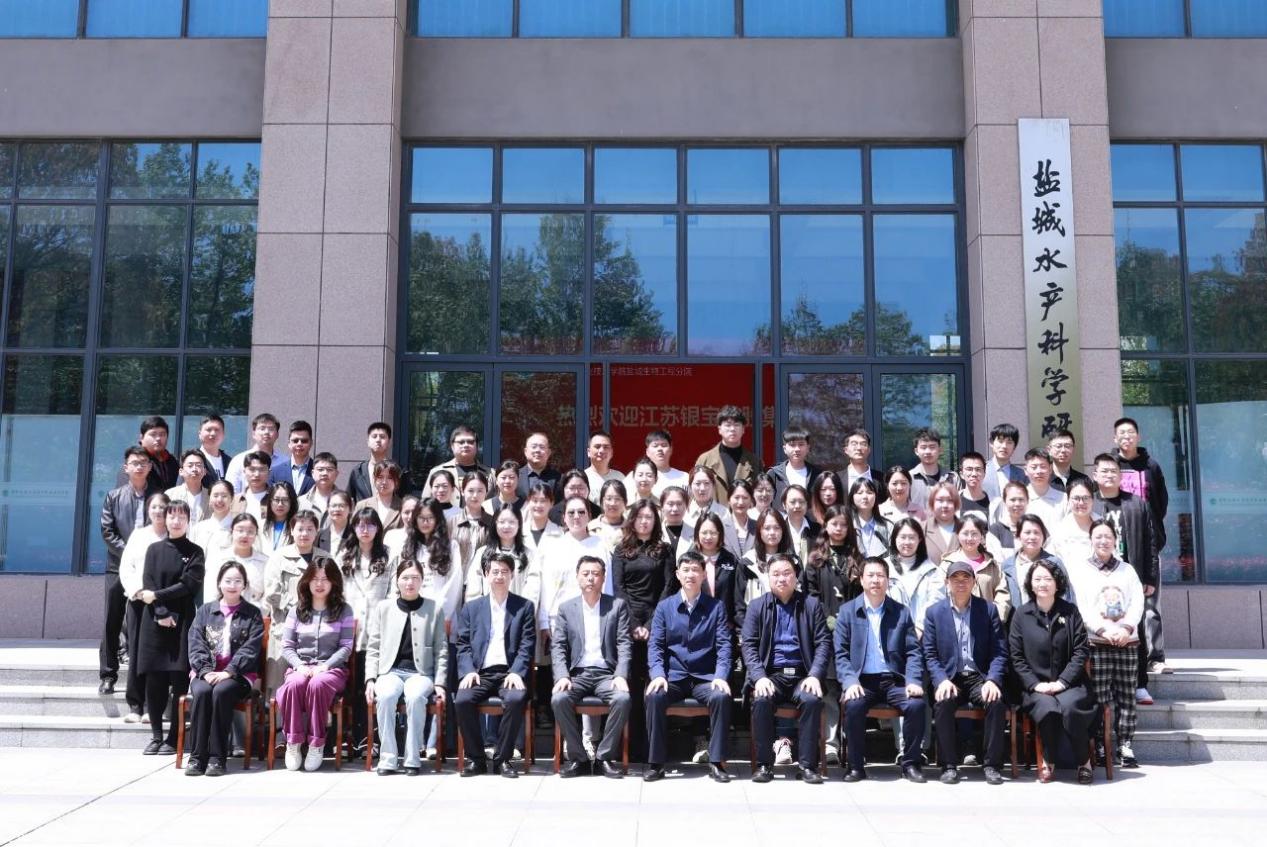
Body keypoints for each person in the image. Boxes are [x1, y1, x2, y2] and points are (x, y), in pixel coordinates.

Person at [644, 551, 733, 783]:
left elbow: (724, 646)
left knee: (721, 696)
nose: (690, 574)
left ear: (703, 575)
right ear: (677, 574)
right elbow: (655, 646)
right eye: (686, 570)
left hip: (705, 677)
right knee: (654, 695)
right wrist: (658, 674)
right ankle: (656, 763)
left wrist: (721, 675)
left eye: (695, 570)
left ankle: (717, 762)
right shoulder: (664, 607)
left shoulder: (716, 607)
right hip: (673, 677)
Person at [837, 557, 928, 783]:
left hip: (894, 680)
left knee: (916, 704)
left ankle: (911, 763)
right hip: (862, 681)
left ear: (888, 581)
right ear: (861, 580)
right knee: (853, 705)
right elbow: (840, 654)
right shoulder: (847, 612)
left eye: (880, 576)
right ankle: (856, 766)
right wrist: (850, 682)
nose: (875, 580)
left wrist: (913, 680)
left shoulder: (901, 612)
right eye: (870, 575)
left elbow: (913, 652)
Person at [743, 553, 829, 784]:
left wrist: (815, 675)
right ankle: (764, 765)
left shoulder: (811, 605)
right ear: (768, 577)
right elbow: (748, 645)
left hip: (803, 675)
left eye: (787, 573)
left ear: (796, 576)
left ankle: (808, 766)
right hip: (771, 675)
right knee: (761, 699)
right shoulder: (757, 607)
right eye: (776, 574)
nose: (781, 578)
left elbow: (823, 643)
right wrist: (759, 677)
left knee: (811, 700)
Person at [1008, 559, 1097, 784]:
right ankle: (1048, 759)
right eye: (1037, 579)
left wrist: (1062, 682)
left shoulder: (1070, 612)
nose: (1042, 583)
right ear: (1030, 583)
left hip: (1071, 683)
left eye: (1048, 579)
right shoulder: (1021, 615)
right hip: (1035, 686)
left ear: (1057, 583)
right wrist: (1035, 684)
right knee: (1048, 709)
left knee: (1071, 708)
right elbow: (1016, 657)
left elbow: (1080, 651)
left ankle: (1084, 761)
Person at [1066, 519, 1145, 769]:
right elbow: (1081, 606)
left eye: (1108, 536)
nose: (1103, 541)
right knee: (1099, 697)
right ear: (1091, 540)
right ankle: (1101, 744)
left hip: (1126, 641)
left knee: (1126, 695)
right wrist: (1102, 630)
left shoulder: (1127, 570)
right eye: (1098, 536)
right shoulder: (1081, 570)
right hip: (1097, 642)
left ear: (1115, 540)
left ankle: (1125, 744)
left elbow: (1137, 602)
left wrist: (1125, 628)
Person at [922, 560, 1008, 785]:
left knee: (996, 701)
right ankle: (949, 766)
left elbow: (999, 652)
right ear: (947, 582)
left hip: (979, 677)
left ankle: (991, 765)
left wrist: (992, 680)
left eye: (965, 578)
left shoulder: (988, 610)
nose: (960, 583)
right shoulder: (934, 613)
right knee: (943, 702)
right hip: (950, 677)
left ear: (974, 582)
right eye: (955, 579)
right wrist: (941, 680)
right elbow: (929, 654)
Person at [551, 555, 633, 778]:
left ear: (603, 578)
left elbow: (624, 643)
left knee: (622, 699)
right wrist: (562, 676)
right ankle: (578, 758)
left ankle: (604, 757)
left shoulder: (617, 606)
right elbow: (558, 646)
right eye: (585, 574)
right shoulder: (566, 608)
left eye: (595, 574)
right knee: (559, 699)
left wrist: (621, 674)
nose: (590, 578)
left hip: (607, 674)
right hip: (577, 674)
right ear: (577, 577)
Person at [455, 553, 537, 778]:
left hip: (509, 672)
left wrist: (517, 672)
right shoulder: (472, 608)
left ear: (512, 575)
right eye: (495, 571)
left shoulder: (524, 607)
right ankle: (476, 759)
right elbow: (463, 644)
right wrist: (468, 670)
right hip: (480, 673)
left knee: (516, 699)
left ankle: (503, 759)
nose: (500, 576)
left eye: (504, 572)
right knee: (462, 700)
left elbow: (527, 645)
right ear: (486, 574)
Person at [1092, 452, 1166, 700]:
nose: (1109, 475)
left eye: (1114, 471)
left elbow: (1150, 543)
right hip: (1097, 579)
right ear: (1095, 475)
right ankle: (1106, 686)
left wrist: (1150, 578)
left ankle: (1139, 683)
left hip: (1130, 576)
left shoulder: (1137, 504)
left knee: (1135, 628)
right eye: (1104, 471)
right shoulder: (1091, 503)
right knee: (1100, 630)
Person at [365, 559, 449, 775]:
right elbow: (373, 647)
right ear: (397, 580)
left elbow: (441, 650)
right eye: (405, 578)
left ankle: (412, 758)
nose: (410, 583)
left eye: (415, 578)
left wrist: (440, 683)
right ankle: (388, 758)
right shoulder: (384, 608)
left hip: (420, 673)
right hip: (390, 672)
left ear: (422, 581)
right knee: (385, 697)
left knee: (415, 697)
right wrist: (370, 679)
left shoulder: (434, 609)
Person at [184, 561, 265, 777]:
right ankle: (197, 757)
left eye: (238, 581)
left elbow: (251, 649)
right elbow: (195, 642)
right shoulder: (205, 611)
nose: (232, 585)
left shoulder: (252, 614)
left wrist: (229, 671)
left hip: (238, 675)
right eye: (228, 580)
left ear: (244, 585)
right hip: (205, 672)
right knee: (202, 692)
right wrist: (205, 670)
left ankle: (217, 758)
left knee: (221, 691)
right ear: (219, 583)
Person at [137, 501, 205, 755]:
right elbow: (148, 581)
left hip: (182, 620)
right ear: (164, 519)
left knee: (179, 680)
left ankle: (173, 738)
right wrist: (160, 611)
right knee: (154, 679)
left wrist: (156, 596)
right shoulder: (153, 549)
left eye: (181, 517)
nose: (176, 521)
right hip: (154, 620)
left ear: (188, 521)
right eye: (172, 516)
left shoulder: (195, 552)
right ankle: (156, 735)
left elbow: (188, 585)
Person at [275, 558, 355, 771]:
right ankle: (293, 742)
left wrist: (325, 666)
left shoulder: (344, 610)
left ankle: (316, 744)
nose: (319, 584)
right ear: (307, 581)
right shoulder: (296, 610)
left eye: (325, 579)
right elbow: (287, 646)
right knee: (294, 684)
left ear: (334, 582)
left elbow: (346, 646)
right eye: (315, 579)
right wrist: (299, 665)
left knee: (318, 683)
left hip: (332, 670)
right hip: (300, 667)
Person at [611, 497, 674, 760]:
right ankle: (629, 747)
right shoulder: (621, 550)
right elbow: (618, 588)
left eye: (649, 517)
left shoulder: (665, 550)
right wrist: (635, 624)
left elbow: (668, 588)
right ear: (632, 520)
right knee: (631, 686)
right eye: (640, 517)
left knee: (654, 684)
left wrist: (650, 624)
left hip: (657, 620)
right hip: (627, 622)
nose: (644, 522)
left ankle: (654, 749)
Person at [800, 504, 862, 765]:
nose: (838, 528)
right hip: (823, 631)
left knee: (849, 685)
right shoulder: (816, 559)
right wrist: (826, 618)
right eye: (834, 523)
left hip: (852, 630)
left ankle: (852, 741)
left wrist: (846, 619)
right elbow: (811, 595)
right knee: (829, 687)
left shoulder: (856, 557)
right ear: (825, 525)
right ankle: (830, 743)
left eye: (843, 524)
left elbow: (861, 596)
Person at [336, 508, 394, 751]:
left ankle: (371, 739)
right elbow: (337, 591)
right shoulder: (344, 555)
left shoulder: (388, 556)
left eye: (370, 525)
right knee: (350, 686)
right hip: (349, 629)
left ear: (378, 528)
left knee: (372, 685)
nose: (365, 530)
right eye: (360, 524)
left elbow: (392, 592)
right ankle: (349, 738)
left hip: (378, 631)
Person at [100, 447, 152, 697]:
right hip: (117, 567)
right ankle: (108, 675)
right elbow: (107, 531)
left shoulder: (158, 496)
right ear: (126, 467)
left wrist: (144, 559)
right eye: (134, 463)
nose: (139, 467)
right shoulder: (114, 497)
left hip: (147, 569)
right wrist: (130, 554)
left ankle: (140, 678)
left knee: (143, 623)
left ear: (149, 467)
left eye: (143, 463)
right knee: (112, 621)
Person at [117, 492, 171, 721]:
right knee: (137, 653)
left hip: (164, 604)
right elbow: (126, 568)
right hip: (139, 602)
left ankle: (154, 706)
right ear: (148, 510)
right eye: (154, 507)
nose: (158, 511)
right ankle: (135, 706)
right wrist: (137, 591)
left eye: (162, 507)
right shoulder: (139, 535)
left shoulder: (173, 536)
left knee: (159, 655)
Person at [262, 510, 328, 689]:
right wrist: (299, 607)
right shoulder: (279, 557)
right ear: (291, 531)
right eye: (300, 529)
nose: (304, 533)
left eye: (310, 529)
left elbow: (334, 590)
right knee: (279, 687)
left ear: (317, 531)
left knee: (312, 686)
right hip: (285, 629)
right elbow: (272, 592)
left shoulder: (325, 558)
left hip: (318, 632)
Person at [940, 513, 1011, 623]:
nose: (970, 538)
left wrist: (994, 619)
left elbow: (1003, 596)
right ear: (957, 535)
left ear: (981, 536)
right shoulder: (947, 564)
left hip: (988, 625)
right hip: (955, 625)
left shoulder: (993, 565)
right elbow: (939, 595)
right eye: (965, 533)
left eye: (974, 534)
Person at [1112, 417, 1169, 548]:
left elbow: (1161, 501)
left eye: (1131, 432)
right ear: (1115, 438)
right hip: (1118, 532)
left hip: (1148, 533)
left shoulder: (1151, 466)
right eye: (1122, 433)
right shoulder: (1109, 466)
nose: (1127, 436)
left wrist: (1152, 520)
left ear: (1138, 437)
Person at [468, 502, 540, 605]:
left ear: (519, 524)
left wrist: (522, 612)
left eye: (511, 522)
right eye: (502, 522)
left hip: (518, 612)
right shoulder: (482, 554)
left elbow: (533, 591)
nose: (506, 526)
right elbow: (473, 591)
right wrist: (481, 612)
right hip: (486, 612)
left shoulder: (529, 556)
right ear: (495, 524)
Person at [886, 518, 945, 638]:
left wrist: (919, 627)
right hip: (889, 632)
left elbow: (936, 599)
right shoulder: (883, 567)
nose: (907, 542)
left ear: (920, 540)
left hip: (922, 635)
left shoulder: (931, 570)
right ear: (894, 538)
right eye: (903, 537)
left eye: (912, 537)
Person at [1002, 514, 1070, 612]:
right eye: (1027, 532)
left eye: (1037, 533)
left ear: (1043, 536)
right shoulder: (1008, 565)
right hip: (1018, 619)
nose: (1032, 537)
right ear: (1018, 536)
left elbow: (1066, 596)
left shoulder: (1054, 563)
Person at [737, 509, 794, 625]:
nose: (772, 532)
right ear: (759, 531)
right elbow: (739, 606)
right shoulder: (747, 563)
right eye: (767, 528)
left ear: (783, 530)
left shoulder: (794, 562)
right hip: (756, 628)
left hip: (790, 627)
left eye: (777, 528)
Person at [694, 404, 763, 500]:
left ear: (743, 429)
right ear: (719, 429)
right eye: (728, 425)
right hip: (713, 510)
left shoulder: (754, 462)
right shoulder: (705, 460)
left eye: (737, 425)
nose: (732, 429)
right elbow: (695, 494)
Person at [203, 514, 268, 606]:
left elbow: (268, 597)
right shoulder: (218, 559)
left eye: (250, 531)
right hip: (222, 612)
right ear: (231, 531)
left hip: (255, 612)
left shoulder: (265, 562)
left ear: (256, 534)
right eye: (240, 530)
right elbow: (210, 593)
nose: (245, 535)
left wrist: (256, 611)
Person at [422, 425, 492, 502]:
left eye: (470, 442)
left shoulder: (491, 474)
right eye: (461, 442)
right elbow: (425, 504)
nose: (466, 445)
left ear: (477, 446)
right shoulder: (437, 472)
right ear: (452, 446)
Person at [224, 413, 285, 496]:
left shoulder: (284, 462)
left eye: (271, 429)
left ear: (277, 434)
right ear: (253, 434)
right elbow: (230, 492)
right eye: (262, 428)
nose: (266, 432)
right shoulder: (238, 460)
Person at [115, 416, 179, 494]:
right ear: (141, 437)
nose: (158, 438)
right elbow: (124, 495)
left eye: (162, 434)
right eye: (153, 434)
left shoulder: (173, 462)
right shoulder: (134, 462)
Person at [449, 470, 494, 576]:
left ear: (486, 492)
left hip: (483, 580)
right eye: (470, 490)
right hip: (455, 580)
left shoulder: (493, 523)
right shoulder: (451, 523)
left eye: (480, 491)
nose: (475, 495)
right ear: (462, 491)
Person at [768, 426, 822, 504]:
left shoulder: (817, 475)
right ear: (784, 449)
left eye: (801, 444)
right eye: (792, 445)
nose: (797, 449)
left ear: (808, 448)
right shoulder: (774, 474)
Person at [908, 428, 959, 511]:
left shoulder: (953, 477)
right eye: (923, 447)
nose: (928, 451)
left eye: (932, 447)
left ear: (940, 450)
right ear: (916, 451)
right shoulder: (909, 478)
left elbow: (958, 508)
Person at [347, 421, 396, 505]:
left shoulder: (398, 471)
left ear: (389, 442)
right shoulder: (358, 471)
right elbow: (349, 499)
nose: (378, 440)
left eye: (382, 437)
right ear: (368, 442)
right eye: (374, 436)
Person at [1051, 479, 1097, 568]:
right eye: (1076, 498)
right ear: (1068, 500)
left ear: (1092, 500)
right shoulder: (1059, 530)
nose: (1081, 503)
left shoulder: (1103, 526)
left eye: (1086, 498)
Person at [190, 479, 236, 557]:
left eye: (224, 496)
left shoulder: (237, 529)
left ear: (232, 498)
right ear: (209, 498)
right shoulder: (198, 528)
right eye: (215, 496)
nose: (219, 500)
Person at [1023, 448, 1067, 529]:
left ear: (1050, 469)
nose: (1039, 471)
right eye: (1034, 467)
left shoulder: (1064, 499)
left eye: (1043, 466)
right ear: (1025, 470)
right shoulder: (1019, 499)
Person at [983, 422, 1028, 501]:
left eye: (1009, 442)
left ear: (1014, 447)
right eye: (1000, 441)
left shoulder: (1022, 475)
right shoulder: (981, 470)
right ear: (991, 443)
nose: (1004, 446)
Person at [269, 420, 315, 497]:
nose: (299, 444)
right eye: (295, 441)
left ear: (311, 443)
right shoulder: (275, 472)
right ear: (289, 443)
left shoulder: (319, 471)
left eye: (304, 441)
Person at [849, 478, 892, 558]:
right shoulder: (848, 526)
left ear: (875, 497)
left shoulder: (888, 526)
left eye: (869, 492)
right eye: (860, 493)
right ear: (852, 497)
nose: (865, 496)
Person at [521, 481, 564, 560]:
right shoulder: (519, 532)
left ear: (552, 503)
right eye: (535, 500)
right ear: (528, 502)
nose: (538, 505)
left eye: (543, 501)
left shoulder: (561, 533)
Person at [356, 460, 403, 532]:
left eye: (390, 477)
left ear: (396, 481)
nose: (384, 482)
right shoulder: (362, 505)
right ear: (374, 479)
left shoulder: (403, 507)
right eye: (380, 477)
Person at [989, 481, 1030, 560]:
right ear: (1004, 502)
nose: (1017, 504)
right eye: (1013, 500)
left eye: (1021, 499)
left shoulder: (1036, 528)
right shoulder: (995, 530)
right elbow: (997, 562)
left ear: (1027, 501)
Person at [165, 449, 209, 523]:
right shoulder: (170, 495)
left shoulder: (210, 496)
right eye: (190, 466)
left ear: (205, 471)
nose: (194, 469)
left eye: (198, 465)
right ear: (181, 471)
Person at [922, 481, 961, 564]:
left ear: (956, 503)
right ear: (932, 502)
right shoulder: (922, 529)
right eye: (940, 500)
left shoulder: (966, 528)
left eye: (950, 500)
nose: (945, 505)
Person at [583, 430, 626, 503]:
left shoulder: (620, 477)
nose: (601, 451)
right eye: (597, 447)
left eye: (606, 447)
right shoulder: (582, 478)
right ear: (588, 452)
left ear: (611, 453)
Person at [780, 484, 818, 564]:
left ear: (807, 504)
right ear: (784, 505)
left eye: (801, 502)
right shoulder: (779, 529)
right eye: (792, 502)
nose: (797, 506)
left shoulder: (818, 530)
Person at [721, 478, 757, 561]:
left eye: (745, 498)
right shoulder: (720, 527)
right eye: (736, 497)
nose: (740, 502)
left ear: (751, 500)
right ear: (729, 500)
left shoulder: (758, 527)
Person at [644, 429, 689, 496]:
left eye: (664, 445)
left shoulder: (685, 477)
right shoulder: (637, 477)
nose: (660, 449)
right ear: (647, 452)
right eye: (655, 446)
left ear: (671, 450)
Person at [516, 431, 560, 498]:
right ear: (525, 452)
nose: (537, 450)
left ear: (548, 453)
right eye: (534, 447)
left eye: (542, 447)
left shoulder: (558, 478)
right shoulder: (516, 476)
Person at [230, 451, 272, 522]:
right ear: (244, 472)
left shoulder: (275, 498)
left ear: (269, 472)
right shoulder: (235, 501)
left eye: (261, 469)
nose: (257, 474)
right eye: (252, 469)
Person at [840, 428, 885, 493]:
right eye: (854, 444)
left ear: (869, 450)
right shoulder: (838, 478)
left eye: (863, 444)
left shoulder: (881, 478)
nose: (859, 448)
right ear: (846, 450)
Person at [588, 479, 629, 550]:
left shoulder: (631, 529)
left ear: (625, 502)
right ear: (601, 501)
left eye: (617, 499)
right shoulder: (590, 528)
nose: (613, 503)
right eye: (609, 498)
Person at [1047, 429, 1091, 494]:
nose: (1063, 450)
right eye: (1058, 446)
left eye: (1067, 446)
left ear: (1073, 449)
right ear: (1049, 450)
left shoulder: (1083, 480)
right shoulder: (1041, 479)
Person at [260, 482, 298, 553]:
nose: (280, 504)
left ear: (291, 502)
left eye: (285, 500)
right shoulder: (260, 525)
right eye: (276, 500)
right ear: (270, 501)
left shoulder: (297, 527)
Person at [297, 453, 339, 518]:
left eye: (329, 470)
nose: (324, 473)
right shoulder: (300, 502)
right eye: (320, 469)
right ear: (312, 473)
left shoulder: (346, 501)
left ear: (336, 474)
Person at [383, 494, 419, 559]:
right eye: (406, 512)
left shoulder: (426, 538)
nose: (410, 517)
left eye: (414, 512)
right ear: (400, 513)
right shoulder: (390, 536)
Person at [957, 451, 992, 518]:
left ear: (984, 473)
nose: (974, 474)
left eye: (978, 469)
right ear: (961, 474)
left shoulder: (993, 502)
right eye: (969, 469)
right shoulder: (953, 502)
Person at [196, 414, 228, 485]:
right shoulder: (191, 460)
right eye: (208, 430)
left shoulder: (230, 462)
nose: (213, 433)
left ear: (223, 434)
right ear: (199, 434)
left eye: (217, 430)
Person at [658, 485, 691, 552]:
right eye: (670, 504)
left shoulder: (695, 533)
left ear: (686, 506)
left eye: (679, 504)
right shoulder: (654, 533)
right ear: (662, 506)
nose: (675, 509)